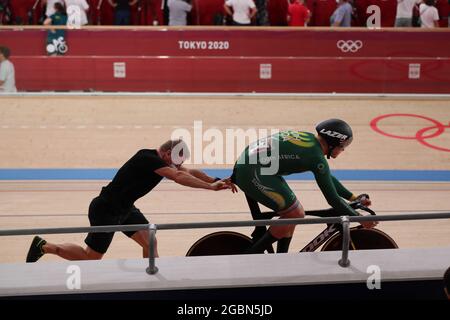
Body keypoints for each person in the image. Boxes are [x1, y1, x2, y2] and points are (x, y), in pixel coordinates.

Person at [26, 139, 235, 262]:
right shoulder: (148, 159)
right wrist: (209, 188)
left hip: (125, 209)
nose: (177, 166)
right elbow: (179, 177)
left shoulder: (163, 159)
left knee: (150, 241)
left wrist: (215, 180)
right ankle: (44, 246)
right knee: (91, 257)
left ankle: (150, 279)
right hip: (106, 209)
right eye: (175, 161)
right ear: (167, 153)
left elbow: (187, 171)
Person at [231, 119, 376, 254]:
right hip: (253, 172)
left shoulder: (310, 140)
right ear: (333, 143)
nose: (342, 150)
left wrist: (352, 197)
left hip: (251, 167)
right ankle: (252, 254)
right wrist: (360, 218)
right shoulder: (316, 157)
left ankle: (282, 257)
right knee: (296, 214)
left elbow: (327, 178)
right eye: (342, 147)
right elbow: (333, 200)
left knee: (292, 211)